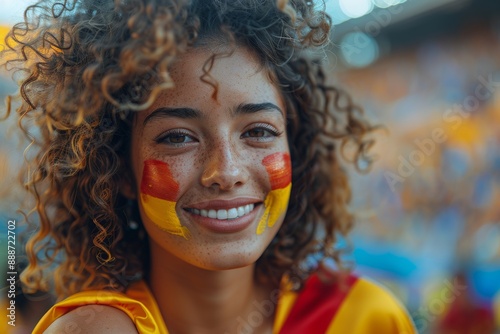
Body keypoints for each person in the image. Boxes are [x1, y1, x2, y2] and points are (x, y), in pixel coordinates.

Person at [1, 0, 417, 333]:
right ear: (119, 171)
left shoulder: (366, 320)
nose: (226, 170)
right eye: (178, 137)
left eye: (257, 130)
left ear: (297, 144)